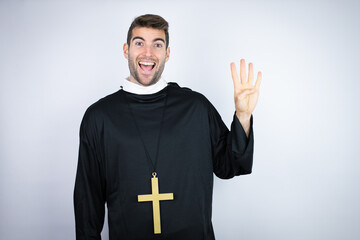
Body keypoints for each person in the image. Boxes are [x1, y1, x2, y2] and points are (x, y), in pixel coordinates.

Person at [74, 14, 262, 240]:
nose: (148, 53)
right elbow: (88, 203)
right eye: (139, 43)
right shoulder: (99, 117)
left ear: (167, 53)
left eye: (157, 44)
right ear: (126, 50)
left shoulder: (196, 108)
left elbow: (230, 166)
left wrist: (243, 116)